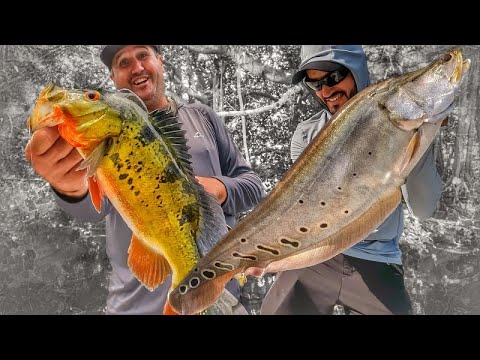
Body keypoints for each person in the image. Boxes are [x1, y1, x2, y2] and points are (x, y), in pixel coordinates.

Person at [24, 45, 266, 315]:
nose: (136, 67)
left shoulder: (204, 117)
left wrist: (218, 191)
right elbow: (89, 208)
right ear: (113, 78)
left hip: (221, 298)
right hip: (133, 307)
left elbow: (253, 185)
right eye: (123, 62)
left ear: (160, 62)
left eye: (143, 56)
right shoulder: (93, 143)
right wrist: (67, 187)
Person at [258, 45, 443, 315]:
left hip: (378, 260)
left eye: (333, 77)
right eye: (315, 83)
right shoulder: (306, 135)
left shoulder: (406, 119)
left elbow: (424, 208)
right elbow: (301, 213)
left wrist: (417, 140)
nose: (325, 91)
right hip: (316, 258)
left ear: (357, 70)